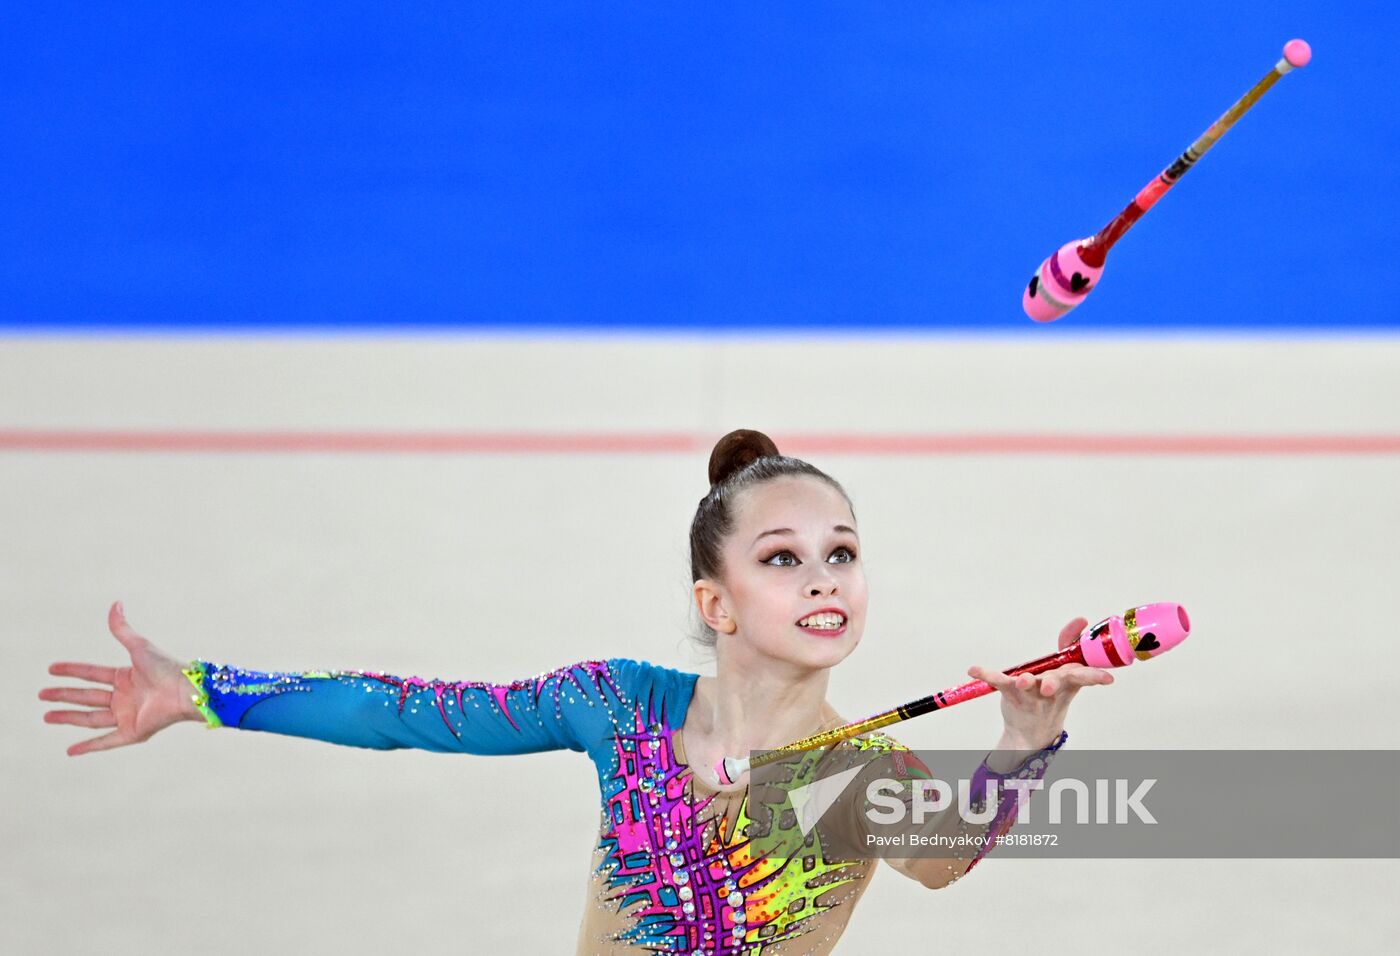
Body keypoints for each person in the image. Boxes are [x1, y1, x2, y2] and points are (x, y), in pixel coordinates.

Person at [40, 428, 1113, 954]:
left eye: (841, 552)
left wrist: (1024, 740)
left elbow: (940, 860)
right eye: (782, 557)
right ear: (716, 601)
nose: (824, 577)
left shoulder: (857, 772)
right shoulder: (620, 706)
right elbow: (399, 712)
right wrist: (202, 688)